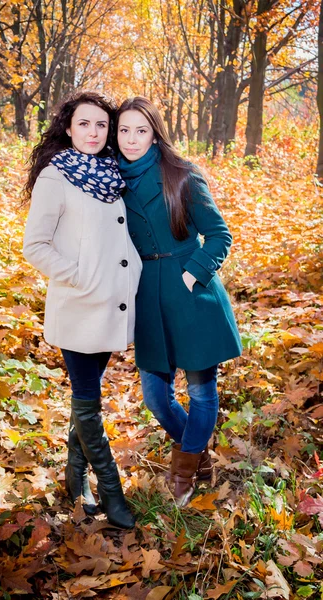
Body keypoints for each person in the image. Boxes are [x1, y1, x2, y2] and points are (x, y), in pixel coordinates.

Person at [22, 91, 142, 528]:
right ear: (68, 128)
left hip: (112, 305)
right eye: (84, 124)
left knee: (85, 398)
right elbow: (34, 246)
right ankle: (112, 491)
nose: (93, 132)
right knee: (88, 402)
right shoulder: (56, 178)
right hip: (78, 307)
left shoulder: (112, 175)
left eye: (101, 125)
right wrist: (79, 276)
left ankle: (75, 477)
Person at [116, 97, 242, 507]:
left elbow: (220, 235)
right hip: (147, 293)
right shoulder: (111, 181)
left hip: (190, 293)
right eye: (124, 130)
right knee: (155, 396)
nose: (131, 139)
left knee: (202, 393)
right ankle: (197, 451)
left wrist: (191, 274)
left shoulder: (182, 175)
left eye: (141, 130)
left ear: (155, 134)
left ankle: (183, 475)